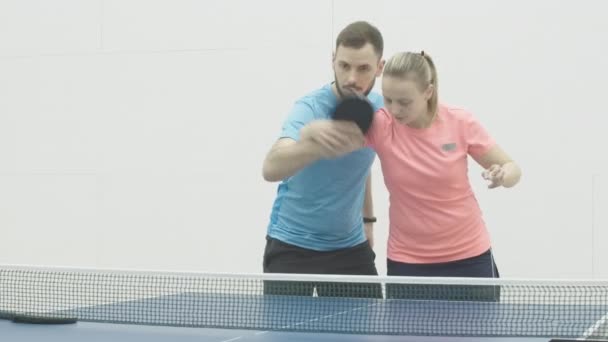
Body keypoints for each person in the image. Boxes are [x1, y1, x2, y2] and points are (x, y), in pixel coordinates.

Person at [360, 51, 522, 300]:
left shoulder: (459, 121)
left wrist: (503, 175)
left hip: (470, 260)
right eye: (389, 100)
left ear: (428, 92)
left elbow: (512, 168)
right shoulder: (381, 125)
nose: (394, 110)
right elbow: (339, 150)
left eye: (404, 102)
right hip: (408, 263)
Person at [260, 21, 385, 298]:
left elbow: (362, 167)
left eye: (363, 68)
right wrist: (314, 145)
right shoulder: (309, 108)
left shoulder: (383, 110)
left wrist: (368, 222)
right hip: (291, 246)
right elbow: (271, 168)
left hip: (350, 249)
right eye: (344, 66)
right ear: (333, 61)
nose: (351, 77)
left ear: (379, 67)